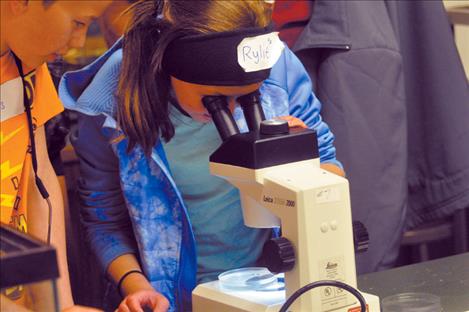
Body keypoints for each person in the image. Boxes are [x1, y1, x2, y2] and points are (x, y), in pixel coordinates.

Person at [58, 1, 344, 311]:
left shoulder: (275, 63)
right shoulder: (112, 98)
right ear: (169, 64)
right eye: (217, 100)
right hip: (169, 295)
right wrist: (137, 287)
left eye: (249, 96)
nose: (233, 111)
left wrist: (298, 164)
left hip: (271, 288)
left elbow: (330, 169)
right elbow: (105, 221)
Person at [0, 1, 111, 311]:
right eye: (78, 23)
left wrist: (62, 304)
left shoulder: (29, 61)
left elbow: (38, 176)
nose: (78, 43)